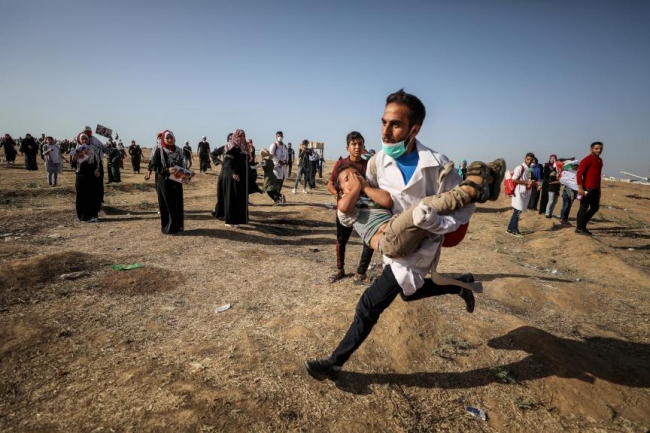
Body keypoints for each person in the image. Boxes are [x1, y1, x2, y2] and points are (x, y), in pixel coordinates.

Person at [305, 90, 479, 381]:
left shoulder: (438, 165)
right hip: (392, 244)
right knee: (409, 295)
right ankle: (461, 285)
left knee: (369, 304)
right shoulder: (377, 163)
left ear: (414, 129)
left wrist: (433, 224)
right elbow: (370, 204)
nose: (385, 132)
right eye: (383, 122)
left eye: (395, 125)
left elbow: (465, 210)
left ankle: (334, 364)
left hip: (420, 250)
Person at [335, 157, 505, 257]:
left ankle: (483, 186)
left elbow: (387, 200)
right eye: (347, 179)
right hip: (387, 240)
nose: (354, 178)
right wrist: (357, 188)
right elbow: (343, 207)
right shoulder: (348, 208)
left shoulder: (367, 193)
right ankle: (471, 189)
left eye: (356, 174)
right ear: (341, 191)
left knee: (429, 207)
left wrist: (364, 187)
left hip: (401, 231)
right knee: (421, 208)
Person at [327, 131, 375, 284]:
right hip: (346, 209)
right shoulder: (340, 164)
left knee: (369, 240)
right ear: (347, 147)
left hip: (365, 209)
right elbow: (330, 184)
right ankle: (340, 269)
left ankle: (360, 273)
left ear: (364, 146)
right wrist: (339, 195)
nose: (357, 147)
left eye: (360, 144)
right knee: (341, 240)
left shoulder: (368, 166)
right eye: (354, 144)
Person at [149, 130, 185, 234]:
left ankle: (178, 226)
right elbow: (153, 165)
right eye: (167, 138)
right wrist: (167, 170)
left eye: (171, 138)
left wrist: (184, 172)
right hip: (164, 181)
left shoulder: (178, 150)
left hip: (177, 180)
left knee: (177, 202)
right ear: (164, 139)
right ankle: (169, 227)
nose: (170, 140)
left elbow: (182, 163)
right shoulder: (159, 151)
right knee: (167, 203)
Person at [216, 129, 251, 228]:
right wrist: (233, 173)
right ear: (236, 136)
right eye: (240, 136)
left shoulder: (243, 147)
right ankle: (229, 220)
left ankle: (239, 219)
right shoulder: (231, 147)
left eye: (243, 136)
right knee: (232, 198)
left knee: (239, 198)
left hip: (242, 176)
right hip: (233, 176)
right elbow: (228, 162)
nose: (242, 138)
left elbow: (246, 161)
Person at [71, 133, 101, 222]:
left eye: (86, 139)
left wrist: (97, 170)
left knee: (91, 195)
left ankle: (92, 215)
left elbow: (97, 162)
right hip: (81, 175)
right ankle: (83, 216)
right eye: (82, 139)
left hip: (91, 176)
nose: (84, 140)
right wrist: (75, 157)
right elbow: (73, 164)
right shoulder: (76, 149)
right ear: (79, 140)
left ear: (88, 140)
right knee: (81, 196)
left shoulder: (93, 149)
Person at [575, 142, 604, 236]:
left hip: (595, 188)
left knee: (595, 207)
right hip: (587, 188)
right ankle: (579, 228)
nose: (599, 150)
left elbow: (598, 176)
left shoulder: (600, 160)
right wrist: (580, 187)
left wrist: (599, 190)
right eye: (596, 148)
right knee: (583, 207)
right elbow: (579, 173)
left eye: (600, 148)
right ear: (591, 149)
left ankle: (582, 225)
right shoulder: (587, 159)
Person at [506, 152, 536, 236]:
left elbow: (529, 179)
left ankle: (510, 229)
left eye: (531, 160)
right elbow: (514, 179)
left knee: (517, 211)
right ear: (525, 158)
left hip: (525, 192)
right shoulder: (520, 167)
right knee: (517, 211)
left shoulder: (529, 169)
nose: (529, 161)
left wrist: (533, 183)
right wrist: (527, 182)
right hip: (519, 192)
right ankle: (514, 230)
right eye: (528, 159)